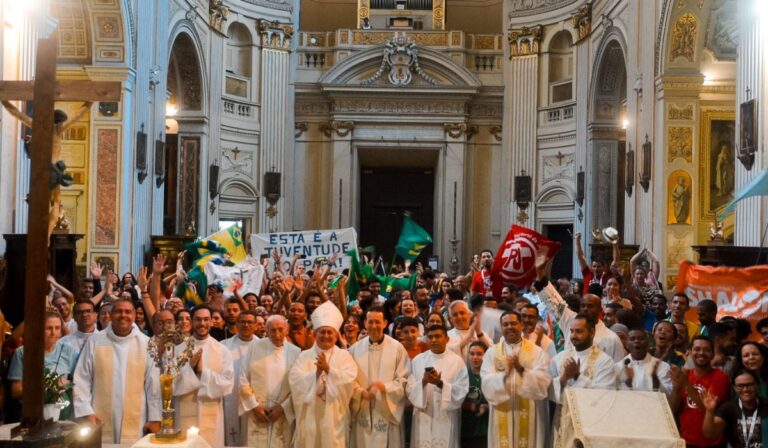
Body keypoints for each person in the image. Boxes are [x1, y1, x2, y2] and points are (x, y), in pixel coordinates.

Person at [73, 299, 161, 444]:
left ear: (134, 315)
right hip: (100, 416)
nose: (123, 315)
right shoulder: (95, 340)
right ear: (111, 315)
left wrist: (155, 417)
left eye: (128, 312)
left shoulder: (146, 343)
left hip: (137, 418)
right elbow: (82, 378)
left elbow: (154, 384)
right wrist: (86, 412)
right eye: (118, 311)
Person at [288, 301, 358, 448]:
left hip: (334, 417)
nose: (326, 336)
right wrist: (315, 375)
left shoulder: (344, 356)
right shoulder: (304, 356)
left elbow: (349, 378)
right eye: (322, 332)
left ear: (336, 335)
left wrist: (329, 370)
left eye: (329, 332)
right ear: (314, 334)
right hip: (310, 416)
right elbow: (295, 380)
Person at [534, 252, 625, 362]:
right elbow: (553, 300)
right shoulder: (570, 320)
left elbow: (618, 370)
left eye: (590, 306)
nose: (586, 309)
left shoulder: (612, 339)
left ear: (601, 310)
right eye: (583, 306)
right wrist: (540, 273)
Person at [481, 311, 551, 448]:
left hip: (530, 414)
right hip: (501, 413)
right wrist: (505, 375)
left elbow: (543, 382)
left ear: (521, 326)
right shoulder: (492, 353)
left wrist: (521, 370)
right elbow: (486, 382)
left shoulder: (537, 352)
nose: (509, 327)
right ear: (501, 328)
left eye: (513, 323)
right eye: (505, 324)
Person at [548, 314, 617, 445]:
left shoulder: (604, 361)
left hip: (590, 425)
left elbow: (604, 397)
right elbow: (548, 390)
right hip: (561, 422)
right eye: (572, 331)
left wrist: (577, 377)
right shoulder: (560, 357)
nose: (573, 336)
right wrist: (563, 379)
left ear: (592, 332)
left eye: (579, 331)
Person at [348, 305, 411, 447]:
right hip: (362, 410)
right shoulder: (353, 350)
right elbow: (348, 380)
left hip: (387, 412)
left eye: (378, 322)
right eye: (370, 322)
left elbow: (405, 379)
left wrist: (385, 388)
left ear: (385, 323)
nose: (374, 326)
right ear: (364, 323)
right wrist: (360, 392)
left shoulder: (397, 349)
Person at [174, 305, 235, 446]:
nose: (202, 323)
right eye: (198, 319)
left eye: (206, 319)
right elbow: (170, 383)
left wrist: (202, 371)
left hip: (213, 416)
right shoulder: (178, 350)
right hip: (183, 416)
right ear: (191, 321)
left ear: (211, 322)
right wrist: (190, 369)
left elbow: (227, 384)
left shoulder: (222, 350)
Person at [239, 315, 301, 447]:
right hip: (258, 409)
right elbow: (243, 378)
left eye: (280, 329)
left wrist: (283, 408)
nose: (277, 334)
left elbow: (298, 386)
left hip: (281, 412)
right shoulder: (255, 347)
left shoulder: (295, 352)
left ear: (287, 329)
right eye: (272, 330)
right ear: (266, 330)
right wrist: (254, 406)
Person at [406, 324, 469, 448]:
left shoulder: (457, 362)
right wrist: (423, 381)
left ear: (447, 339)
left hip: (446, 416)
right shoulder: (417, 360)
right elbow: (409, 389)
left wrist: (440, 384)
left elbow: (462, 390)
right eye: (430, 337)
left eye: (438, 336)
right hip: (423, 416)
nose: (433, 340)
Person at [8, 310, 78, 410]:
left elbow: (78, 383)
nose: (53, 333)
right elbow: (16, 391)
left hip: (61, 409)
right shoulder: (22, 352)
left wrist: (68, 384)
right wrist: (50, 386)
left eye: (57, 328)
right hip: (32, 410)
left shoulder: (69, 351)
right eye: (49, 328)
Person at [669, 336, 731, 447]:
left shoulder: (720, 376)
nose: (701, 353)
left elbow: (707, 407)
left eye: (706, 350)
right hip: (685, 440)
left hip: (711, 443)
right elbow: (673, 410)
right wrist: (677, 389)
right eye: (697, 349)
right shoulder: (686, 375)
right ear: (690, 352)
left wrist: (686, 384)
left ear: (712, 354)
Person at [702, 369, 768, 448]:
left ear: (757, 385)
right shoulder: (728, 408)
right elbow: (709, 434)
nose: (745, 389)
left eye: (750, 385)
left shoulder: (766, 404)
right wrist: (709, 411)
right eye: (740, 386)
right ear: (734, 388)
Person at [222, 310, 259, 446]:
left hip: (254, 401)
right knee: (232, 438)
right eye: (242, 322)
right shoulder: (224, 346)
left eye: (250, 322)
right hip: (230, 399)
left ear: (256, 325)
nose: (246, 325)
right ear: (236, 324)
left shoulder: (262, 346)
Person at [616, 327, 672, 394]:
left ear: (647, 344)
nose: (637, 341)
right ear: (627, 345)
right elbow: (614, 394)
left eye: (641, 338)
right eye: (632, 339)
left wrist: (655, 381)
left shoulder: (663, 366)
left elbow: (669, 394)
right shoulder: (618, 367)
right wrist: (628, 384)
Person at [462, 342, 489, 448]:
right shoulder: (463, 376)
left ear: (486, 355)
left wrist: (487, 407)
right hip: (466, 429)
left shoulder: (490, 376)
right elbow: (453, 400)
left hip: (485, 429)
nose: (475, 357)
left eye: (479, 354)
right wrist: (468, 406)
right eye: (472, 354)